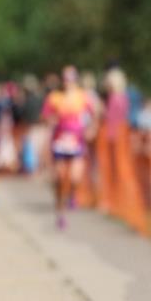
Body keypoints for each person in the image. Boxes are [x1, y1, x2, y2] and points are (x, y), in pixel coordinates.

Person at [40, 66, 98, 230]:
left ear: (75, 80)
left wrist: (91, 129)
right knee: (59, 177)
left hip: (76, 141)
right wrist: (49, 121)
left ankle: (71, 195)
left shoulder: (82, 96)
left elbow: (95, 114)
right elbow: (45, 115)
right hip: (59, 141)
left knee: (75, 177)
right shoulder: (55, 97)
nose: (68, 82)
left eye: (71, 79)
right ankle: (60, 211)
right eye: (66, 79)